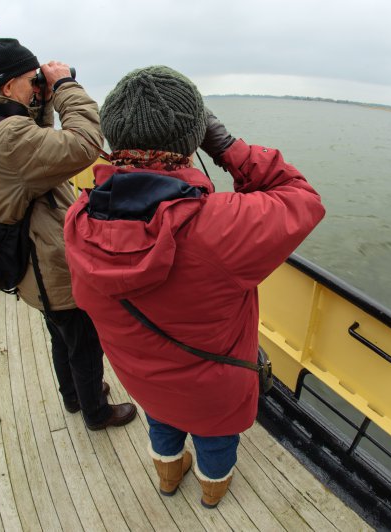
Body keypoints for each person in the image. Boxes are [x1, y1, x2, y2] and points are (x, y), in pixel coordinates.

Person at [64, 66, 325, 507]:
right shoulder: (222, 227)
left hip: (141, 376)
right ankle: (211, 490)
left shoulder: (79, 221)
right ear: (193, 138)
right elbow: (302, 198)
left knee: (161, 423)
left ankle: (168, 478)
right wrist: (227, 148)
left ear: (111, 140)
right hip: (214, 389)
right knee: (216, 441)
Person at [0, 38, 136, 430]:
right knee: (83, 343)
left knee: (60, 334)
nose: (37, 85)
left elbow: (34, 139)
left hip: (31, 264)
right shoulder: (7, 138)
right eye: (30, 80)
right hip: (48, 263)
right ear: (6, 87)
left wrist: (44, 99)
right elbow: (84, 144)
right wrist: (66, 87)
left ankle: (72, 398)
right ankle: (96, 413)